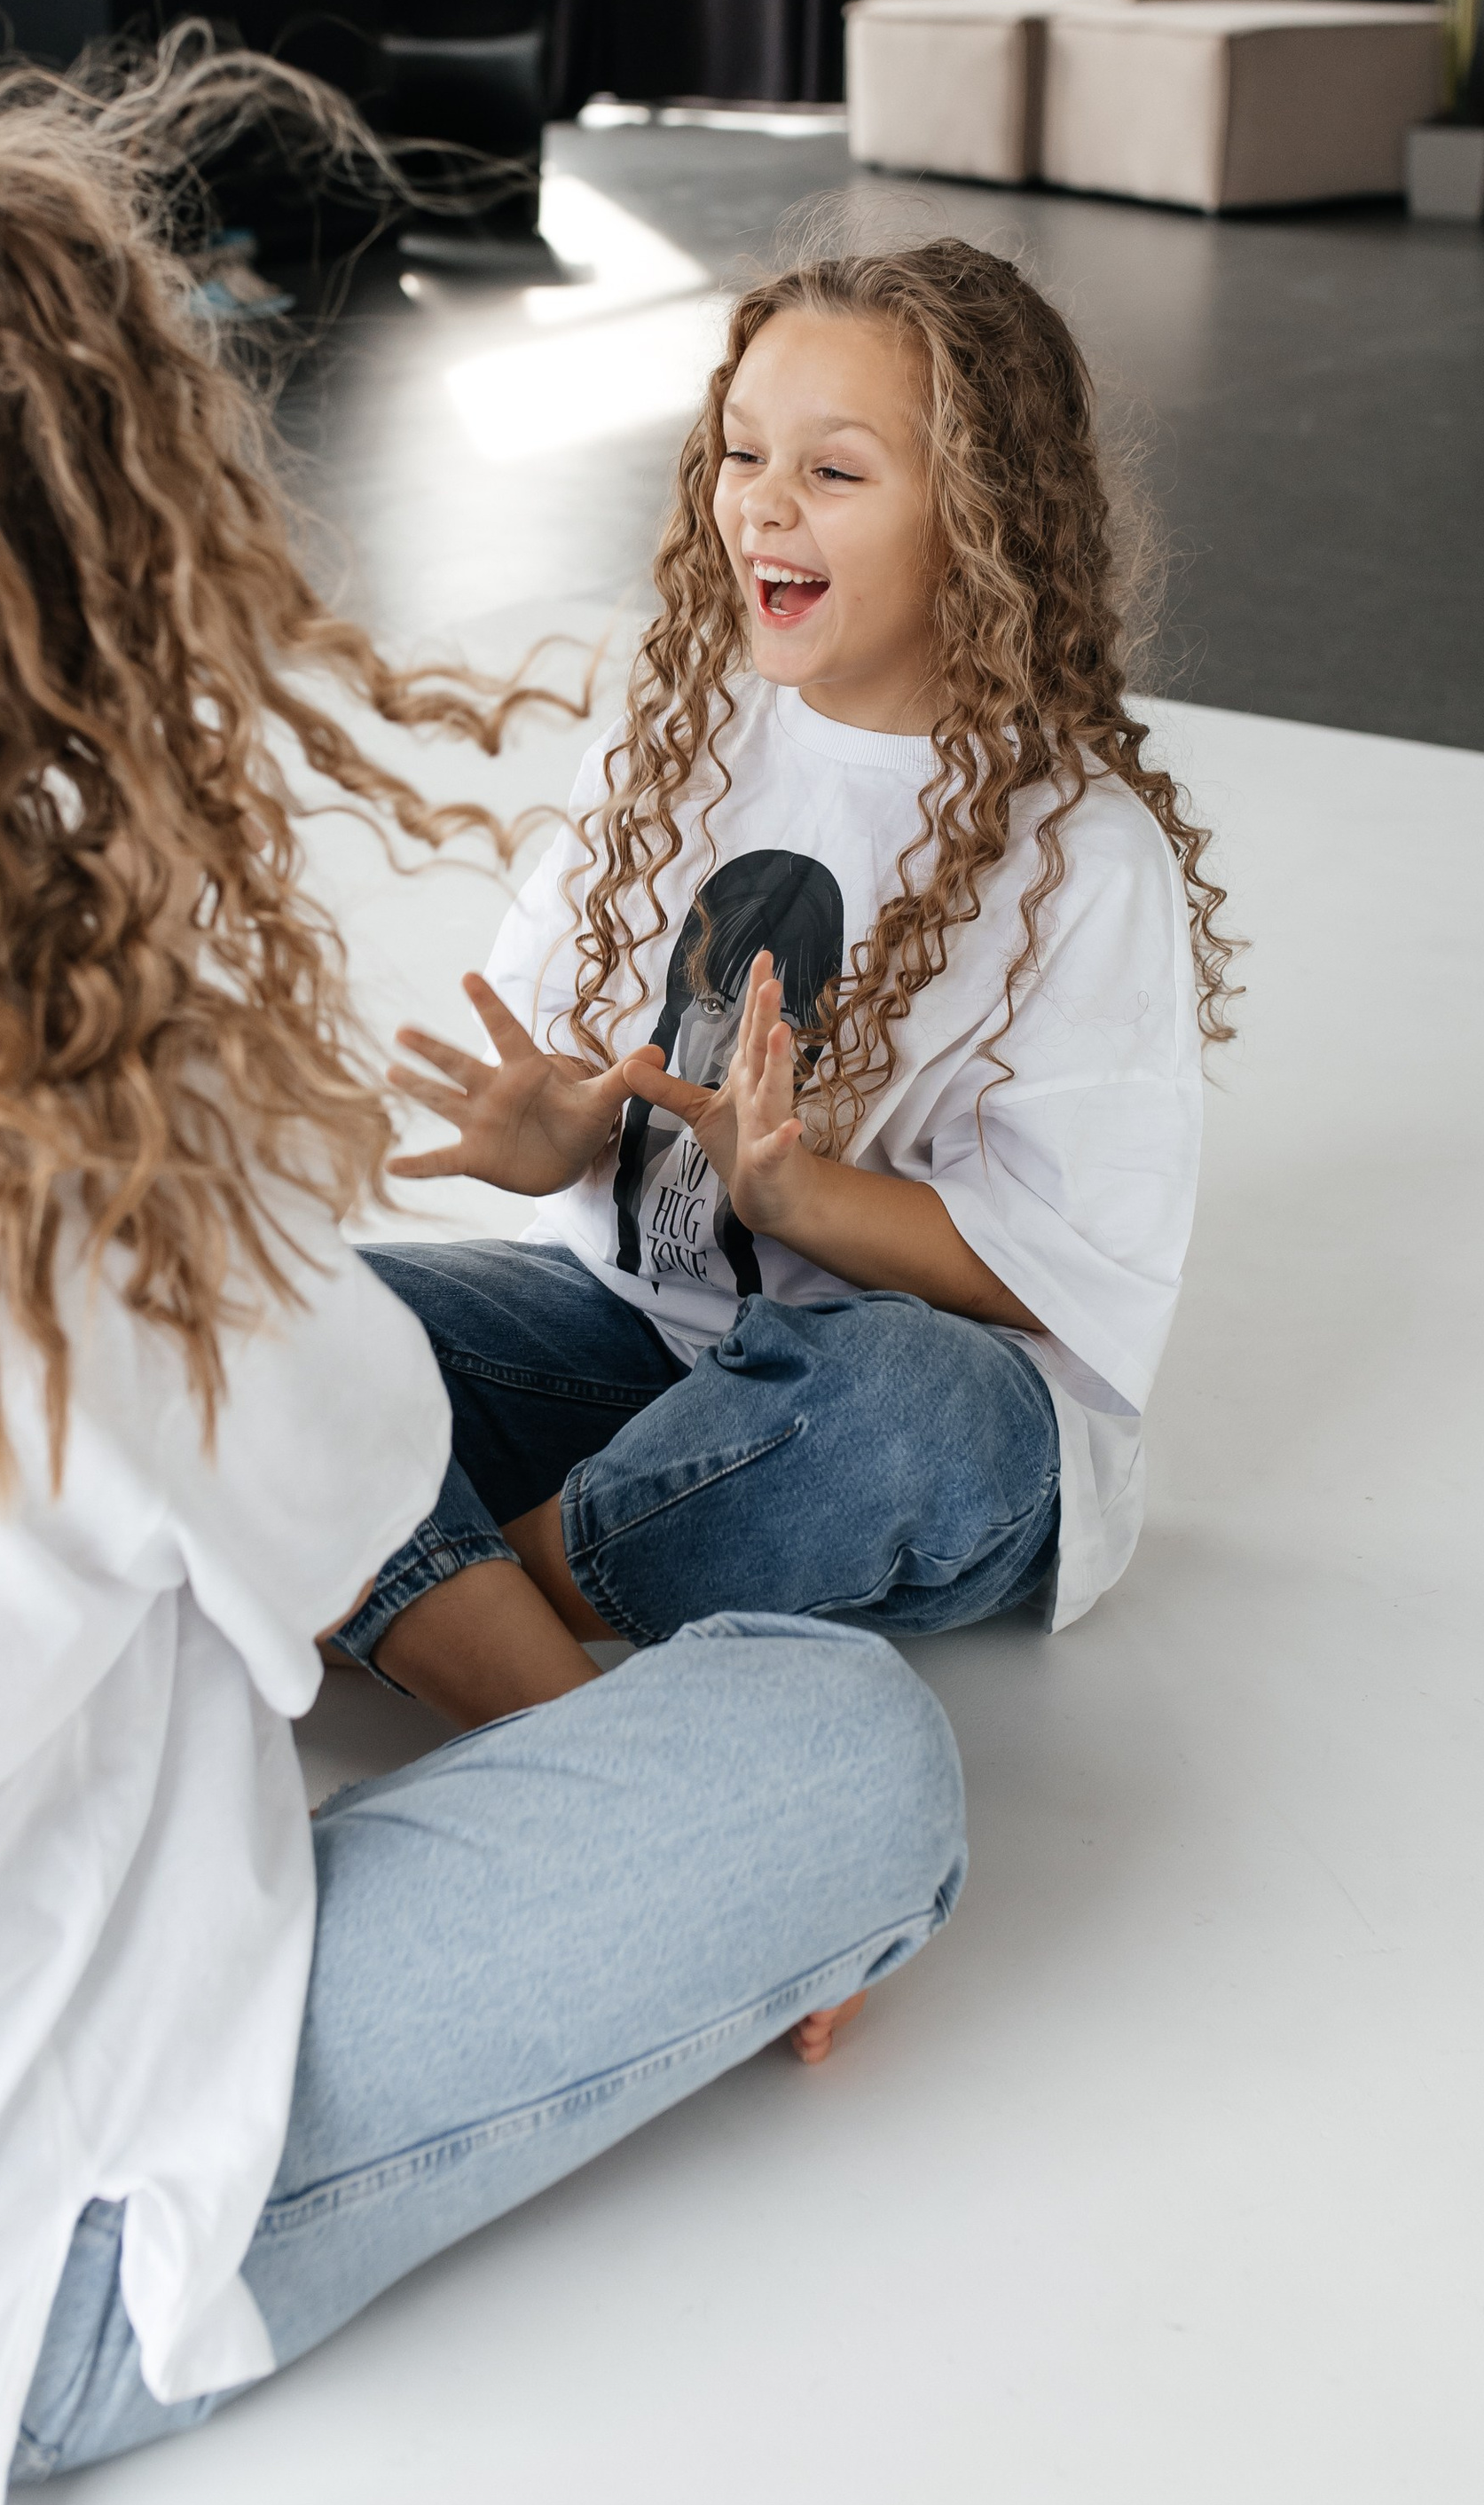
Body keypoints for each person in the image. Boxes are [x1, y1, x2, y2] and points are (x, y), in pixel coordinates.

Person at [0, 50, 968, 2505]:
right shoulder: (89, 1090)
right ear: (116, 562)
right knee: (840, 1757)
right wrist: (645, 1834)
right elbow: (364, 1492)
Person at [341, 239, 1235, 1748]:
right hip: (623, 1346)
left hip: (873, 1406)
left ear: (979, 516)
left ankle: (451, 1608)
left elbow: (1055, 1277)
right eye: (742, 450)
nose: (760, 498)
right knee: (279, 1319)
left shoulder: (1084, 856)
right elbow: (572, 1091)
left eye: (834, 471)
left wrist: (799, 1195)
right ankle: (524, 1664)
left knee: (912, 1415)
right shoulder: (674, 738)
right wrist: (547, 1137)